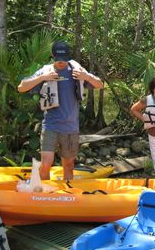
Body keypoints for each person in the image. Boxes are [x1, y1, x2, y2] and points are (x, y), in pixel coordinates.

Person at [17, 41, 103, 180]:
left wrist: (87, 77)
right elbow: (21, 87)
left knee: (68, 164)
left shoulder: (76, 70)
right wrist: (42, 78)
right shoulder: (45, 71)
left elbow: (100, 84)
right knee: (46, 163)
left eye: (64, 59)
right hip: (51, 125)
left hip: (70, 127)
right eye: (58, 59)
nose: (61, 62)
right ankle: (42, 193)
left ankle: (67, 195)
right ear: (52, 55)